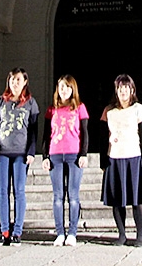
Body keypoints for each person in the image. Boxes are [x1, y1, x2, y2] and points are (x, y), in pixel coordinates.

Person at [0, 68, 39, 246]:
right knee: (2, 192)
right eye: (12, 79)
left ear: (25, 82)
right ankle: (4, 231)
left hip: (21, 153)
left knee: (19, 191)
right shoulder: (1, 101)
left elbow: (33, 130)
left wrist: (32, 152)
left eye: (18, 80)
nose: (15, 83)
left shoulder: (30, 103)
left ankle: (17, 232)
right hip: (2, 152)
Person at [101, 74, 142, 246]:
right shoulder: (109, 111)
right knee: (118, 200)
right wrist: (104, 162)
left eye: (126, 88)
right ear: (116, 91)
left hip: (134, 157)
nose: (123, 91)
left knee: (137, 199)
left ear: (132, 90)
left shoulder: (139, 109)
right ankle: (122, 234)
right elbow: (103, 137)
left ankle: (140, 235)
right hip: (115, 158)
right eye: (120, 88)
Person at [43, 74, 88, 246]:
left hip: (74, 154)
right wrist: (45, 156)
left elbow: (84, 133)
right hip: (55, 154)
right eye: (61, 87)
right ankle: (59, 232)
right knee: (57, 196)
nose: (64, 90)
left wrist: (83, 154)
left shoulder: (79, 108)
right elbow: (46, 134)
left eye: (68, 87)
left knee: (73, 196)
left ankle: (72, 233)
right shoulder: (52, 109)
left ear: (73, 89)